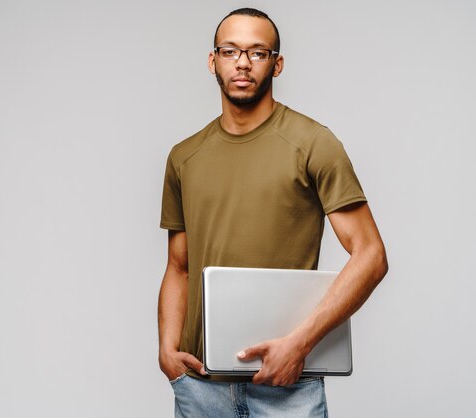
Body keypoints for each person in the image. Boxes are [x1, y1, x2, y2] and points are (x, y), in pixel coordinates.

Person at [157, 7, 388, 418]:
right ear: (213, 61)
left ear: (276, 64)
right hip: (200, 390)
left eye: (258, 52)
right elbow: (179, 267)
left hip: (288, 385)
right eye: (230, 51)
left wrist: (300, 343)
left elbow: (371, 255)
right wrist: (167, 353)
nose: (242, 62)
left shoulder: (314, 143)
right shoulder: (184, 157)